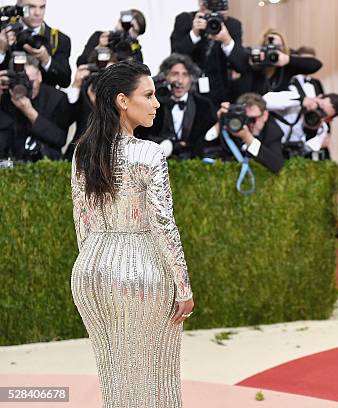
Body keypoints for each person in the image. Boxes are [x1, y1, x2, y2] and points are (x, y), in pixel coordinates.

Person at [71, 60, 194, 407]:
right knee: (155, 374)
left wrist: (93, 265)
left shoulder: (83, 151)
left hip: (90, 272)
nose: (157, 103)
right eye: (149, 95)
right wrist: (183, 287)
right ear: (123, 101)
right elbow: (163, 223)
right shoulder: (149, 153)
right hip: (142, 272)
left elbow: (82, 220)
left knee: (114, 374)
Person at [136, 53, 217, 160]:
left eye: (185, 75)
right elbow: (143, 136)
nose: (180, 81)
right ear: (165, 76)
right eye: (175, 74)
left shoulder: (204, 105)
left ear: (191, 79)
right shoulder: (153, 104)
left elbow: (208, 140)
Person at [170, 0, 242, 107]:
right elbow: (175, 56)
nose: (214, 15)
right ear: (201, 4)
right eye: (210, 8)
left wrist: (227, 41)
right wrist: (194, 34)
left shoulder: (233, 25)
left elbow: (240, 65)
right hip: (190, 89)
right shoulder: (186, 20)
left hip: (220, 91)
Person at [0, 54, 70, 160]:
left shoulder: (56, 98)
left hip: (45, 162)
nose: (27, 86)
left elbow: (59, 139)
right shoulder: (6, 96)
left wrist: (30, 113)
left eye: (30, 81)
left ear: (40, 76)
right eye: (22, 81)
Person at [224, 28, 322, 96]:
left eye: (278, 47)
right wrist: (254, 61)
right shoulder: (254, 58)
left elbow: (316, 65)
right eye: (268, 47)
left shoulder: (287, 65)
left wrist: (288, 60)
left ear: (284, 48)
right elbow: (236, 58)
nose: (273, 51)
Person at [205, 92, 285, 173]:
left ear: (265, 115)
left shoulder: (272, 131)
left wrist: (248, 139)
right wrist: (220, 122)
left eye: (253, 119)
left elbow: (278, 165)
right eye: (245, 119)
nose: (250, 124)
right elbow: (201, 149)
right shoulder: (233, 124)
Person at [0, 0, 71, 88]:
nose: (38, 13)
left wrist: (46, 60)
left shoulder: (58, 39)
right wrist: (1, 50)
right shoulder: (4, 31)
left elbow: (65, 81)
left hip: (42, 99)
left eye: (42, 7)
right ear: (19, 8)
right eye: (31, 7)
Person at [263, 85, 338, 160]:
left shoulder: (321, 130)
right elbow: (264, 101)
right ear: (318, 97)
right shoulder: (295, 98)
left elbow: (305, 150)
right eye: (319, 106)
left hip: (278, 156)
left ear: (328, 120)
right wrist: (300, 101)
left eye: (323, 114)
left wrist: (311, 131)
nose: (317, 112)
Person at [76, 9, 146, 65]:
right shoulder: (101, 36)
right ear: (119, 22)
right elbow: (81, 63)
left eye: (134, 30)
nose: (128, 30)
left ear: (138, 35)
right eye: (127, 25)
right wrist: (99, 47)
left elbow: (138, 76)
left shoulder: (135, 51)